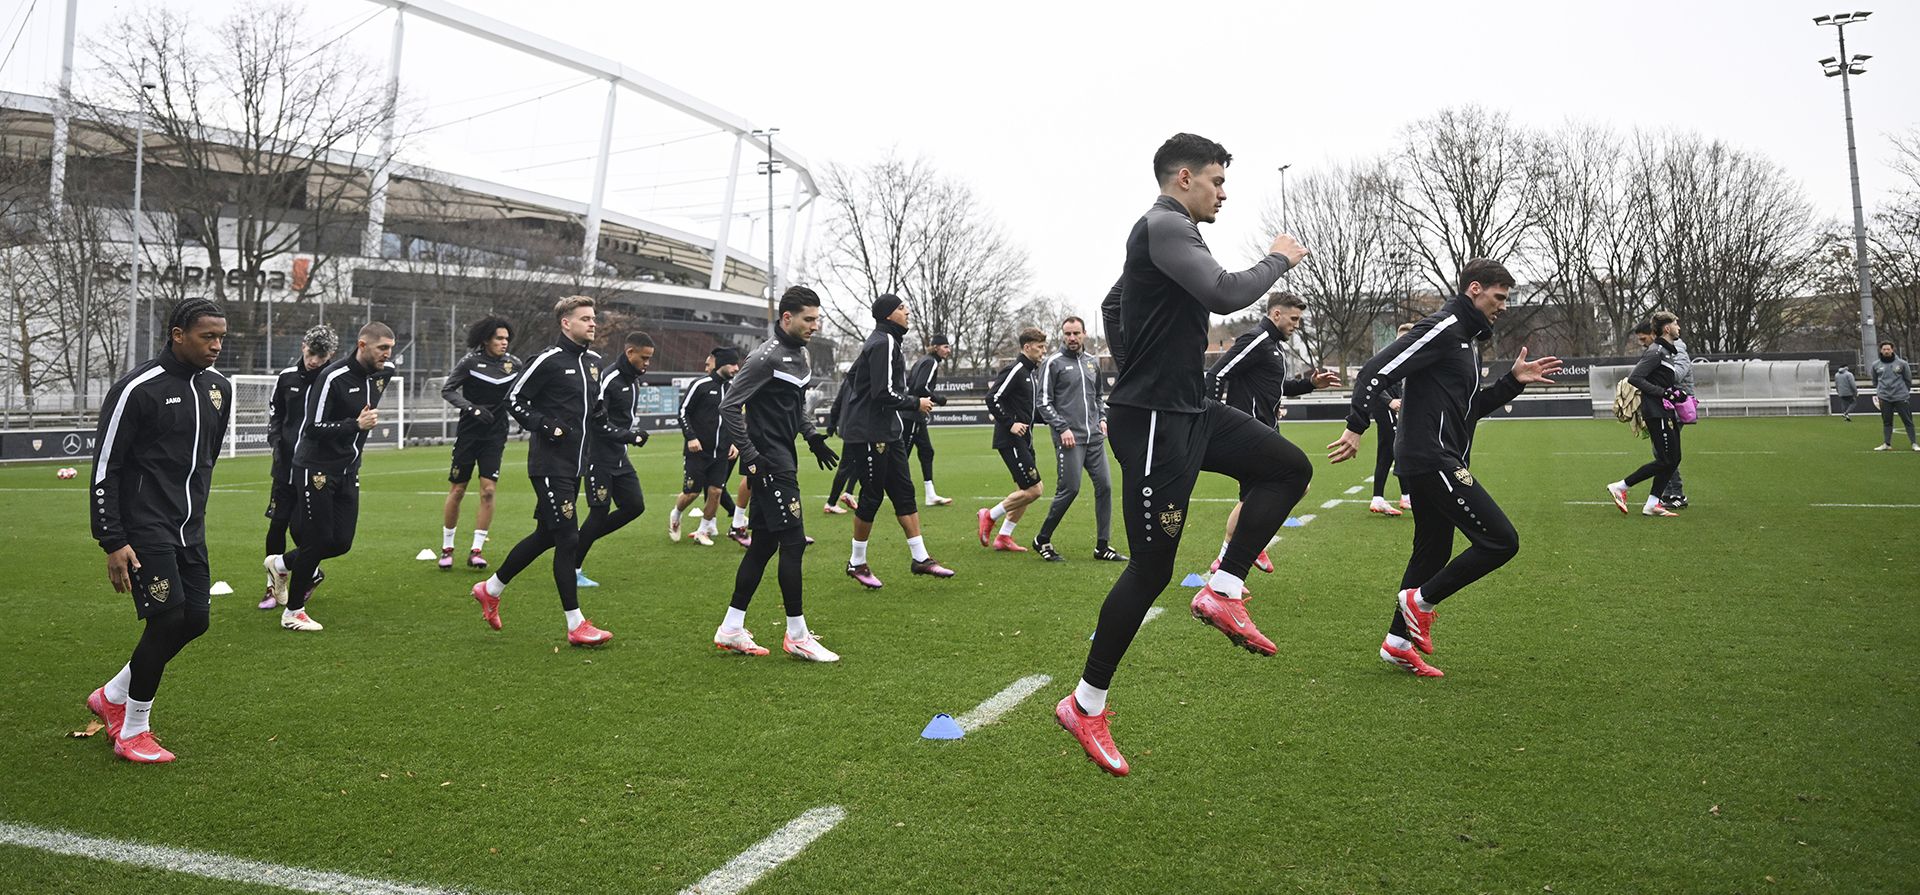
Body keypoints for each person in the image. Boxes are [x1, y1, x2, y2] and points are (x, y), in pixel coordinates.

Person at [1057, 133, 1313, 777]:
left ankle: (1224, 587)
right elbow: (1226, 293)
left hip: (1191, 409)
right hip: (1151, 425)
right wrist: (1278, 259)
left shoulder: (1175, 232)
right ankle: (1085, 705)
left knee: (1288, 468)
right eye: (1217, 182)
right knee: (1151, 569)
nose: (1223, 193)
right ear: (1182, 178)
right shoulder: (1164, 224)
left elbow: (1117, 303)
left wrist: (1142, 354)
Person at [1329, 258, 1563, 678]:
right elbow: (1374, 372)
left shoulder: (1467, 342)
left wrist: (1513, 382)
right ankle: (1420, 604)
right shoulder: (1444, 327)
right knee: (1501, 540)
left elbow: (1470, 409)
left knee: (1432, 552)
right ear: (1475, 289)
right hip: (1430, 458)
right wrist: (1356, 426)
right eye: (1499, 297)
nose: (1504, 306)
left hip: (1439, 457)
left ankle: (1398, 644)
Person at [85, 298, 232, 764]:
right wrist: (113, 539)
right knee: (167, 619)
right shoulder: (138, 388)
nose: (216, 346)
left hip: (190, 527)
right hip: (143, 527)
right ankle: (133, 729)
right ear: (177, 334)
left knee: (196, 620)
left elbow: (205, 459)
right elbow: (107, 466)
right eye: (207, 336)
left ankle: (110, 695)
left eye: (221, 337)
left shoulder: (218, 388)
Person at [468, 295, 618, 645]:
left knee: (547, 535)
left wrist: (598, 416)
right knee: (568, 538)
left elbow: (590, 407)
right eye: (585, 318)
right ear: (566, 323)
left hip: (576, 464)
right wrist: (545, 425)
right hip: (549, 464)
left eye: (594, 318)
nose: (593, 323)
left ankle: (490, 589)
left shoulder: (594, 362)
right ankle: (576, 624)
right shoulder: (547, 360)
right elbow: (514, 399)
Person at [710, 286, 844, 661]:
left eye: (817, 319)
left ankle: (731, 628)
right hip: (770, 463)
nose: (815, 326)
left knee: (766, 544)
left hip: (785, 457)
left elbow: (795, 405)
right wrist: (751, 457)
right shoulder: (763, 358)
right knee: (794, 543)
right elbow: (730, 406)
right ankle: (797, 635)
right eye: (808, 319)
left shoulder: (800, 355)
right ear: (787, 318)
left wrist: (813, 437)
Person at [267, 322, 395, 632]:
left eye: (390, 348)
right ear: (362, 346)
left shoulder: (383, 373)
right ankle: (293, 612)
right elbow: (312, 428)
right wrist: (356, 424)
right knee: (318, 539)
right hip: (316, 468)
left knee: (341, 542)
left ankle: (280, 564)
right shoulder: (332, 377)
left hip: (349, 470)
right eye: (382, 348)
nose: (388, 355)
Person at [1203, 292, 1340, 570]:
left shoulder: (1274, 347)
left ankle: (1242, 550)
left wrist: (1311, 384)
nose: (1297, 325)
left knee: (1261, 495)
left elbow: (1280, 387)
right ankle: (1237, 552)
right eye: (1293, 318)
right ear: (1276, 314)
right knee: (1292, 483)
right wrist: (1213, 417)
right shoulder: (1256, 339)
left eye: (1299, 320)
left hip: (1266, 431)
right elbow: (1216, 374)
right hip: (1247, 433)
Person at [841, 293, 955, 588]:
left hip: (886, 430)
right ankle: (856, 562)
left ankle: (921, 559)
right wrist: (915, 402)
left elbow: (854, 377)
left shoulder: (885, 341)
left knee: (904, 491)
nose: (907, 313)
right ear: (889, 314)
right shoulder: (884, 342)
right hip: (869, 433)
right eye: (902, 308)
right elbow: (882, 393)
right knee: (872, 496)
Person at [1033, 316, 1124, 562]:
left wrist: (1102, 418)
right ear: (1062, 335)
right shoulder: (1053, 363)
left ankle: (1102, 546)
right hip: (1069, 439)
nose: (1072, 338)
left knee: (1105, 486)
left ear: (1084, 334)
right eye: (1067, 334)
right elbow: (1042, 402)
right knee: (1070, 489)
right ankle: (1042, 539)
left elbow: (1098, 397)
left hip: (1093, 437)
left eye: (1076, 333)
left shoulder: (1092, 363)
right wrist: (1062, 428)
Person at [260, 325, 337, 610]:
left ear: (330, 354)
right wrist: (275, 441)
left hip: (316, 468)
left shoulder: (333, 380)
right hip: (285, 467)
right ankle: (272, 587)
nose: (313, 360)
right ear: (303, 345)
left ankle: (309, 575)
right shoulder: (286, 377)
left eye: (320, 355)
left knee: (305, 531)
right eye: (310, 352)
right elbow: (275, 413)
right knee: (277, 524)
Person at [438, 316, 521, 571]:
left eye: (507, 338)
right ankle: (447, 548)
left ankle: (476, 550)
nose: (504, 343)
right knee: (458, 490)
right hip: (468, 434)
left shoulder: (514, 365)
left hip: (496, 435)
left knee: (488, 491)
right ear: (486, 339)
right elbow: (448, 390)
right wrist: (471, 408)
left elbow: (523, 393)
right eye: (499, 338)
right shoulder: (470, 362)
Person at [573, 331, 655, 587]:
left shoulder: (633, 380)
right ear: (630, 353)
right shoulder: (609, 378)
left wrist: (630, 436)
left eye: (650, 359)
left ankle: (578, 539)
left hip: (619, 456)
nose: (647, 363)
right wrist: (629, 436)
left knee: (634, 506)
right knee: (598, 513)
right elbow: (596, 422)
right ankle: (573, 567)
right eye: (644, 358)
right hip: (598, 456)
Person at [1607, 311, 1686, 518]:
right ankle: (1620, 486)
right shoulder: (1656, 351)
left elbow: (1660, 381)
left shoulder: (1667, 352)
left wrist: (1675, 392)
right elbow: (1635, 378)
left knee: (1673, 458)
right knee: (1664, 459)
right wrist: (1664, 392)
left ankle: (1652, 503)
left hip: (1665, 410)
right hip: (1656, 412)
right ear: (1667, 328)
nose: (1679, 327)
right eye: (1676, 323)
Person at [978, 328, 1048, 554]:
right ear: (1027, 347)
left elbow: (1027, 408)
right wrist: (1010, 424)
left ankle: (1004, 537)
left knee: (1025, 491)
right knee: (1034, 490)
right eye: (1040, 346)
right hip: (1011, 440)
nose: (1043, 351)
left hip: (1024, 439)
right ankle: (989, 515)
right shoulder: (1016, 369)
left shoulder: (1030, 372)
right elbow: (993, 397)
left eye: (1044, 346)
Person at [671, 348, 741, 546]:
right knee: (691, 493)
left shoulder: (732, 388)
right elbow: (683, 411)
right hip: (698, 452)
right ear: (721, 364)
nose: (736, 368)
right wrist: (691, 437)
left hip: (721, 452)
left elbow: (735, 418)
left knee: (716, 492)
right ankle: (676, 514)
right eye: (733, 364)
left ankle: (703, 530)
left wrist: (735, 442)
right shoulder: (700, 385)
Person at [1366, 322, 1416, 516]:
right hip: (1384, 407)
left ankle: (1381, 498)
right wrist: (1390, 402)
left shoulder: (1405, 357)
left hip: (1391, 406)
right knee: (1398, 449)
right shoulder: (1387, 356)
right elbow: (1373, 382)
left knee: (1387, 452)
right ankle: (1406, 495)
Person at [904, 333, 954, 506]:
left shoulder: (922, 361)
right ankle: (889, 491)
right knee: (902, 455)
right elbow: (920, 387)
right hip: (912, 414)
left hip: (915, 413)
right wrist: (938, 399)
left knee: (927, 451)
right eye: (946, 347)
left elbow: (910, 383)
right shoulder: (931, 362)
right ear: (936, 347)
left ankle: (930, 494)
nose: (948, 350)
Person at [1660, 319, 1697, 508]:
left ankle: (1676, 494)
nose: (1679, 328)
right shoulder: (1663, 349)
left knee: (1666, 450)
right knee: (1663, 450)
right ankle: (1668, 493)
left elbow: (1677, 374)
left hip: (1676, 405)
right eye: (1676, 324)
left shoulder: (1678, 348)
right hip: (1668, 404)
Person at [820, 374, 858, 514]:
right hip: (857, 428)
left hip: (850, 427)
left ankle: (848, 494)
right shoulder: (864, 377)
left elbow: (838, 402)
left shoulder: (849, 379)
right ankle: (831, 502)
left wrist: (832, 424)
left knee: (859, 463)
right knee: (847, 466)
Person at [1870, 340, 1916, 451]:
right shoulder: (1875, 365)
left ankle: (1914, 443)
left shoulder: (1902, 364)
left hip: (1900, 397)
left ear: (1892, 350)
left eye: (1888, 349)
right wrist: (1881, 391)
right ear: (1881, 350)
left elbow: (1908, 379)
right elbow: (1875, 380)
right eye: (1884, 349)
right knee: (1887, 421)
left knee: (1907, 420)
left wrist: (1904, 392)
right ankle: (1887, 444)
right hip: (1884, 397)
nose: (1886, 351)